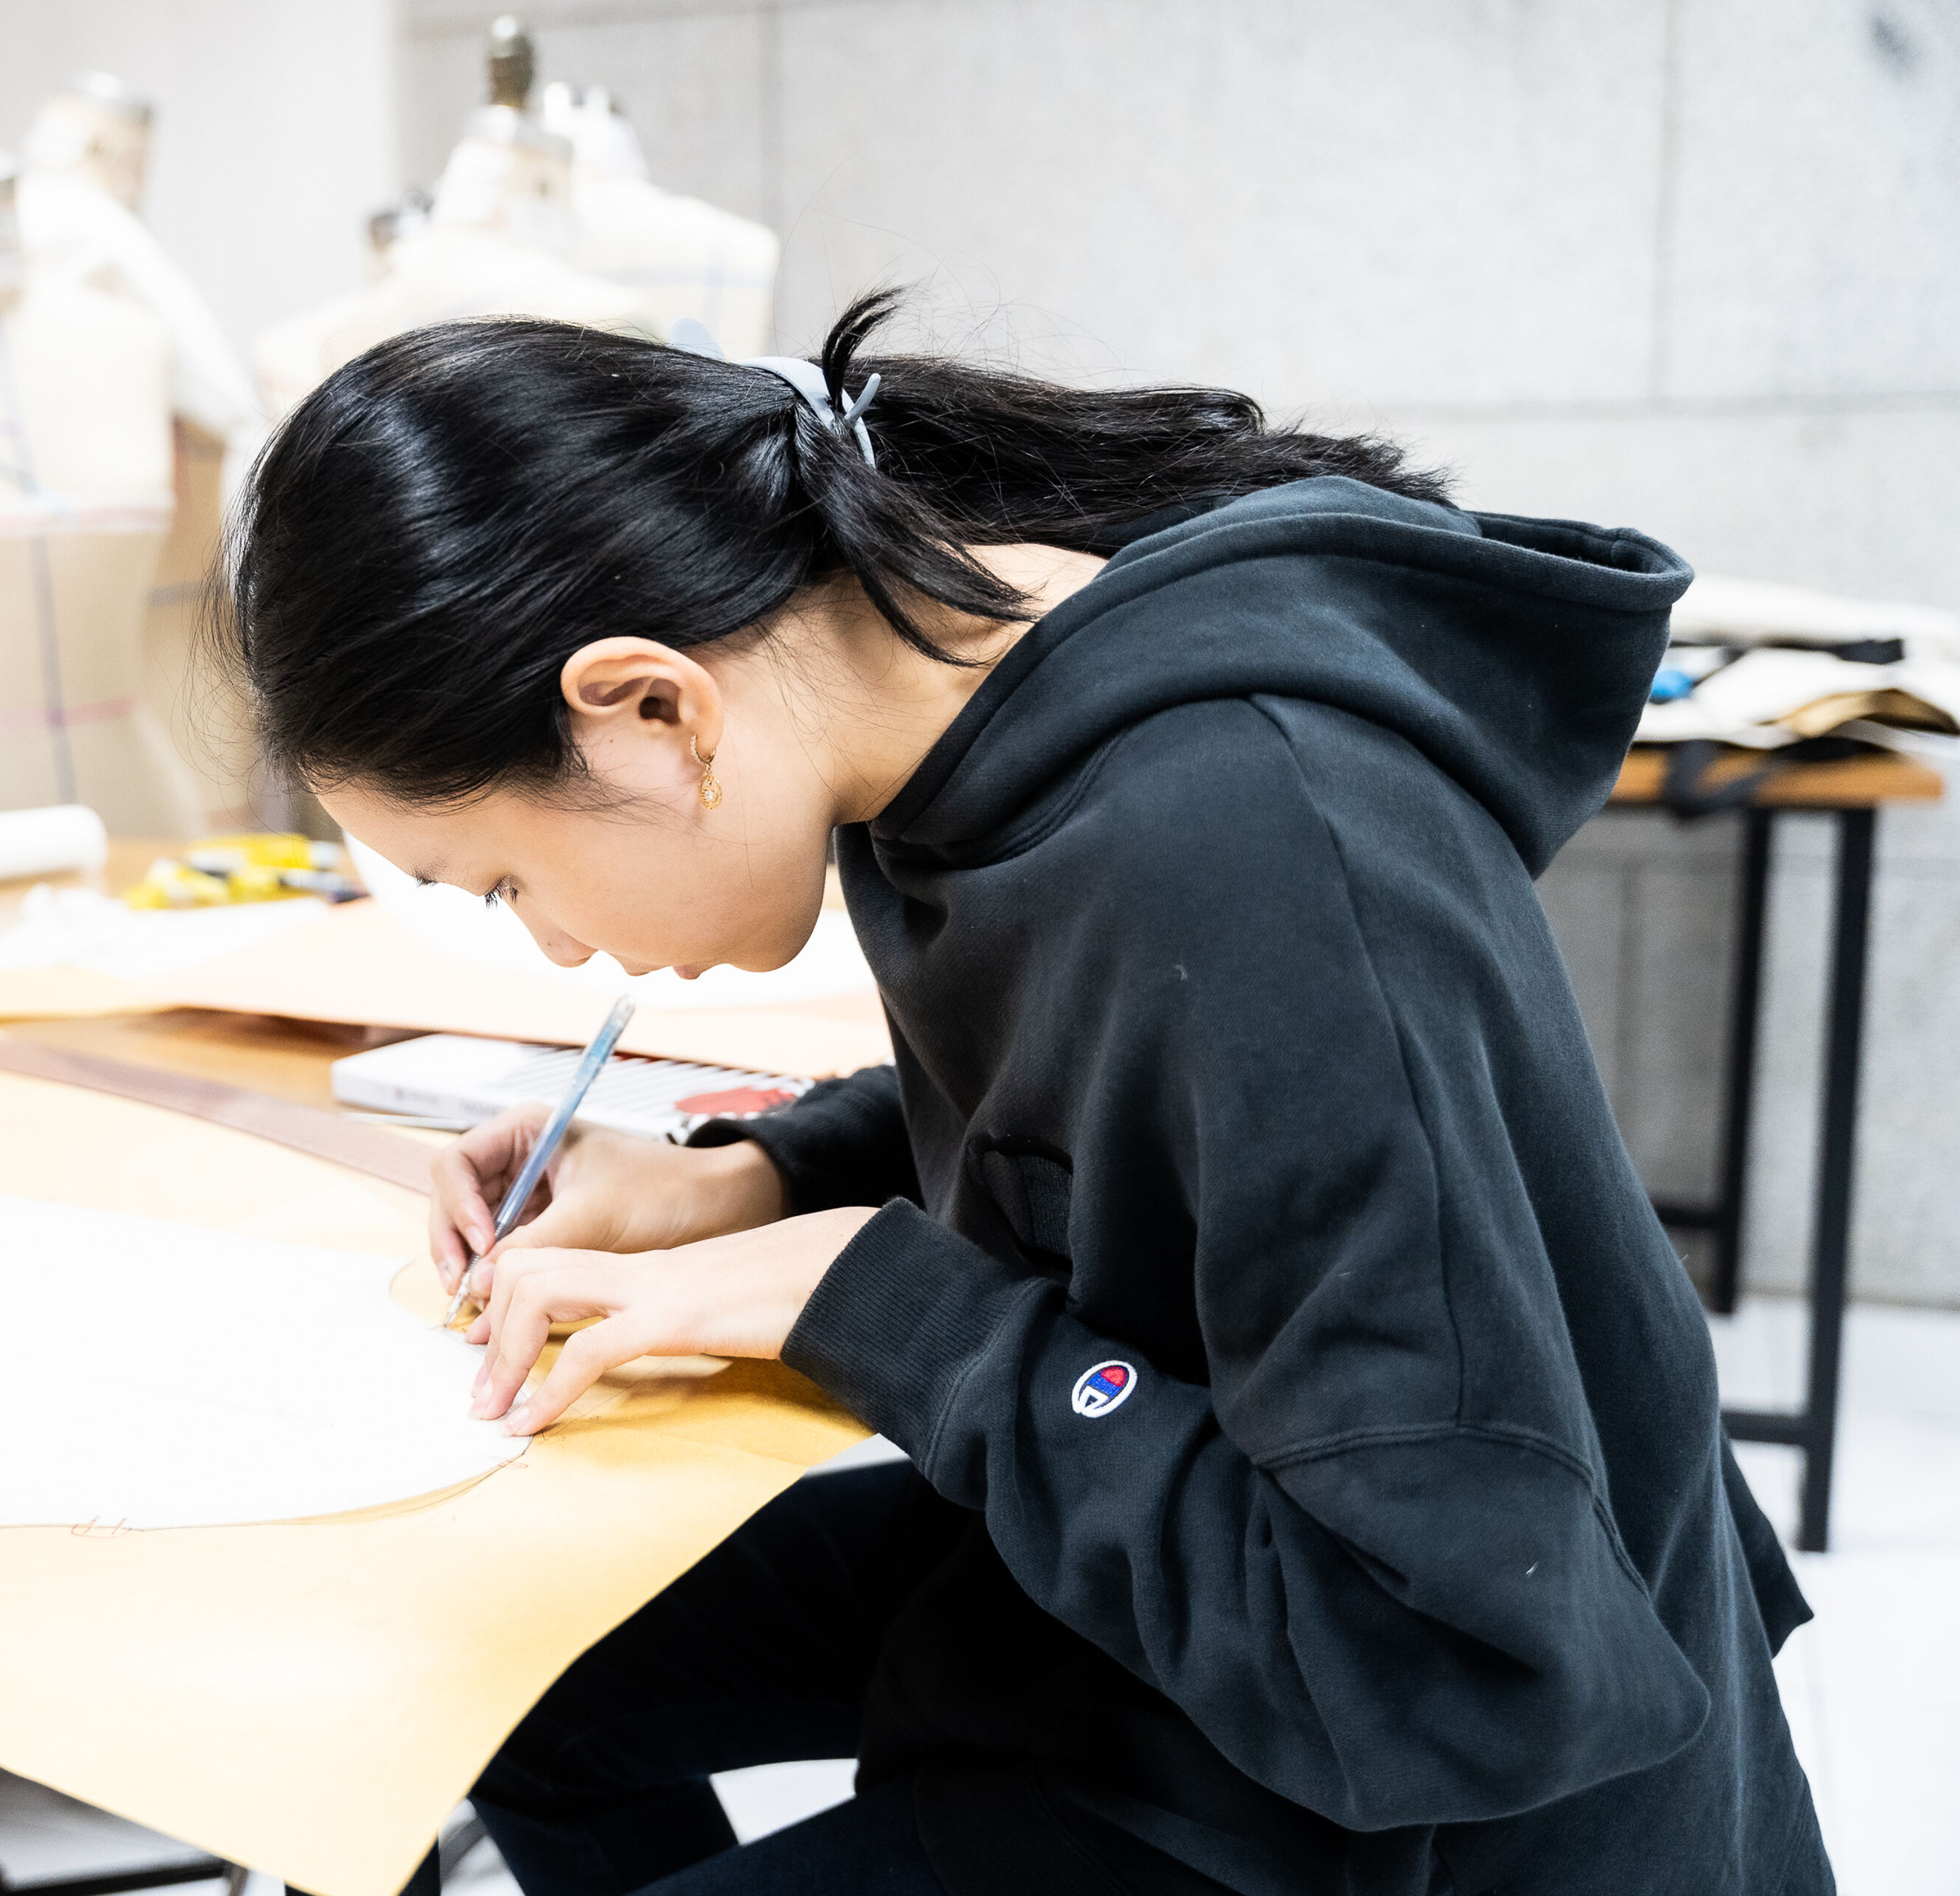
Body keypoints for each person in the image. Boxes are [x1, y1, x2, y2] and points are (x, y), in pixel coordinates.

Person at [227, 293, 1829, 1895]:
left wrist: (886, 1304)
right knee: (482, 1670)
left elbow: (1447, 1670)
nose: (559, 942)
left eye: (508, 879)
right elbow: (1113, 1107)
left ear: (656, 708)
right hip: (1167, 1577)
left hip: (1401, 1768)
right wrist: (757, 1181)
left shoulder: (1246, 843)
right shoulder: (934, 730)